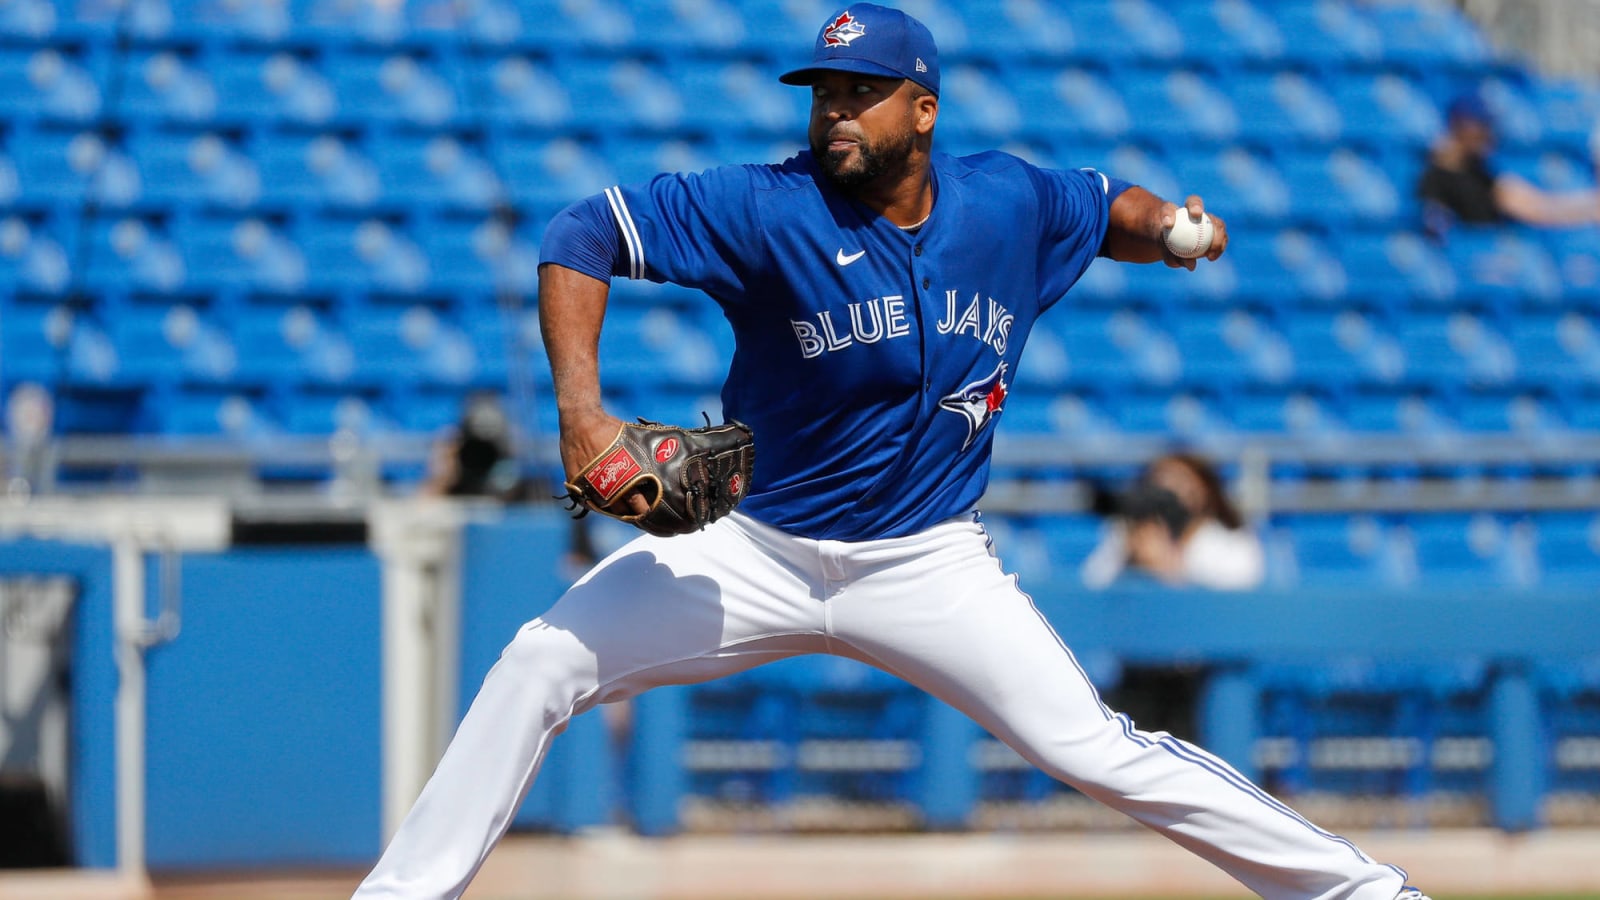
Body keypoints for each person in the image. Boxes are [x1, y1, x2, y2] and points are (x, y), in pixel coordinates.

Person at [354, 6, 1429, 899]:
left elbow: (1107, 207)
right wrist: (582, 416)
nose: (833, 112)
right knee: (542, 660)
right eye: (822, 92)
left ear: (922, 110)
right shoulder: (767, 207)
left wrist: (1174, 230)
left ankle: (1367, 894)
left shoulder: (1002, 200)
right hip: (752, 545)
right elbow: (581, 232)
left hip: (925, 562)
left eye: (857, 91)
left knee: (1099, 751)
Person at [1416, 90, 1600, 236]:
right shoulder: (1434, 177)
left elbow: (1542, 207)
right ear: (1460, 126)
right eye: (1481, 125)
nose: (1488, 133)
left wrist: (1589, 207)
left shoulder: (1483, 172)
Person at [1081, 452, 1265, 591]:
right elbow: (1093, 584)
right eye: (1158, 482)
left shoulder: (1231, 542)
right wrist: (1129, 556)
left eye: (1179, 483)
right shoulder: (1126, 533)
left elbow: (1238, 598)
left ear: (1203, 491)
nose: (1167, 490)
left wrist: (1168, 568)